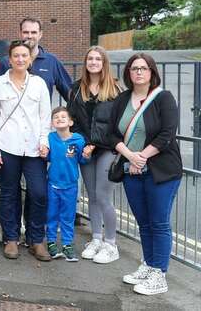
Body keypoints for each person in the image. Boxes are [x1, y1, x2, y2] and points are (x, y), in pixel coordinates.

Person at [110, 53, 182, 296]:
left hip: (161, 171)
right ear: (128, 73)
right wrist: (130, 156)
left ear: (152, 72)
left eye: (143, 68)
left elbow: (167, 133)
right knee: (144, 222)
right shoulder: (122, 100)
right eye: (134, 68)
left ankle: (159, 274)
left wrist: (141, 157)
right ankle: (149, 264)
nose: (139, 72)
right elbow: (111, 134)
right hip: (132, 171)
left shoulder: (164, 98)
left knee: (159, 222)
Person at [0, 40, 52, 261]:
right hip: (7, 147)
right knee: (9, 193)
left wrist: (45, 141)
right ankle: (11, 239)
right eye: (16, 56)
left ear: (30, 59)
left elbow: (45, 117)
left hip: (34, 149)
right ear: (10, 59)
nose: (20, 59)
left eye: (24, 56)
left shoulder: (39, 84)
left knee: (39, 193)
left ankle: (36, 240)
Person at [66, 46, 121, 264]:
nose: (94, 62)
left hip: (106, 149)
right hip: (85, 149)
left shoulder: (115, 90)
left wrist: (96, 144)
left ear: (104, 62)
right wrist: (83, 144)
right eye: (90, 58)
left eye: (98, 59)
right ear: (85, 62)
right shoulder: (76, 89)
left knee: (103, 196)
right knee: (92, 195)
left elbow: (117, 126)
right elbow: (74, 121)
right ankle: (96, 238)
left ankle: (111, 243)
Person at [45, 107, 88, 262]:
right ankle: (50, 242)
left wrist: (86, 155)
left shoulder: (78, 140)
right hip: (53, 185)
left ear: (70, 122)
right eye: (56, 117)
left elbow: (82, 160)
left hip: (71, 185)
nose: (60, 119)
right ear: (52, 123)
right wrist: (44, 153)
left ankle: (67, 244)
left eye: (63, 116)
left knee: (68, 216)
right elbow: (48, 157)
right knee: (51, 215)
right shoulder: (50, 138)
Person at [0, 17, 72, 101]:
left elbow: (70, 94)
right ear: (20, 33)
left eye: (34, 32)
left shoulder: (52, 61)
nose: (29, 36)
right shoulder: (6, 62)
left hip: (41, 113)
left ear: (40, 34)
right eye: (26, 32)